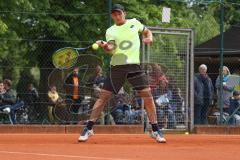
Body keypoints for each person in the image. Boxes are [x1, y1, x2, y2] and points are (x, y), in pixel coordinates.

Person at [78, 4, 166, 143]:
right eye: (114, 14)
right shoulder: (110, 31)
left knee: (147, 96)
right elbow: (111, 49)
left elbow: (147, 32)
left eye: (119, 13)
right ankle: (88, 128)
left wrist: (150, 38)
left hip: (134, 67)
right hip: (117, 67)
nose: (117, 16)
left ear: (124, 13)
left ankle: (155, 130)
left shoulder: (134, 23)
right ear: (112, 16)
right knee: (103, 98)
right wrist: (105, 45)